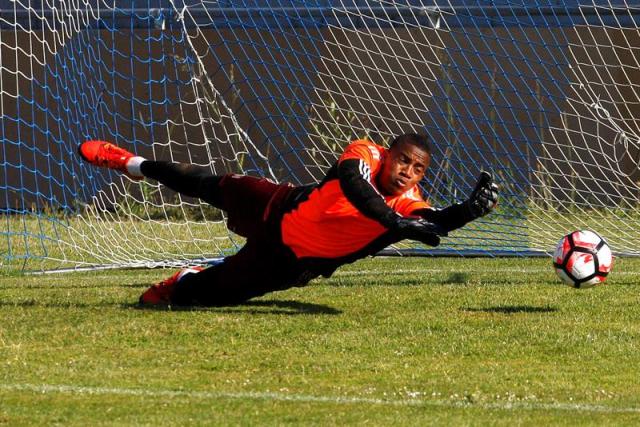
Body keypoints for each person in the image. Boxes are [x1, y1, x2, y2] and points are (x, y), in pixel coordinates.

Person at [78, 133, 498, 307]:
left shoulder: (409, 202)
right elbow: (354, 185)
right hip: (278, 205)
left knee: (197, 298)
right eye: (403, 160)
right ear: (388, 155)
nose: (407, 171)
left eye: (418, 168)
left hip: (292, 263)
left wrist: (466, 212)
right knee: (203, 183)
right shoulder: (365, 154)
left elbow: (434, 221)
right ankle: (128, 161)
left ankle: (185, 279)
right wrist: (392, 221)